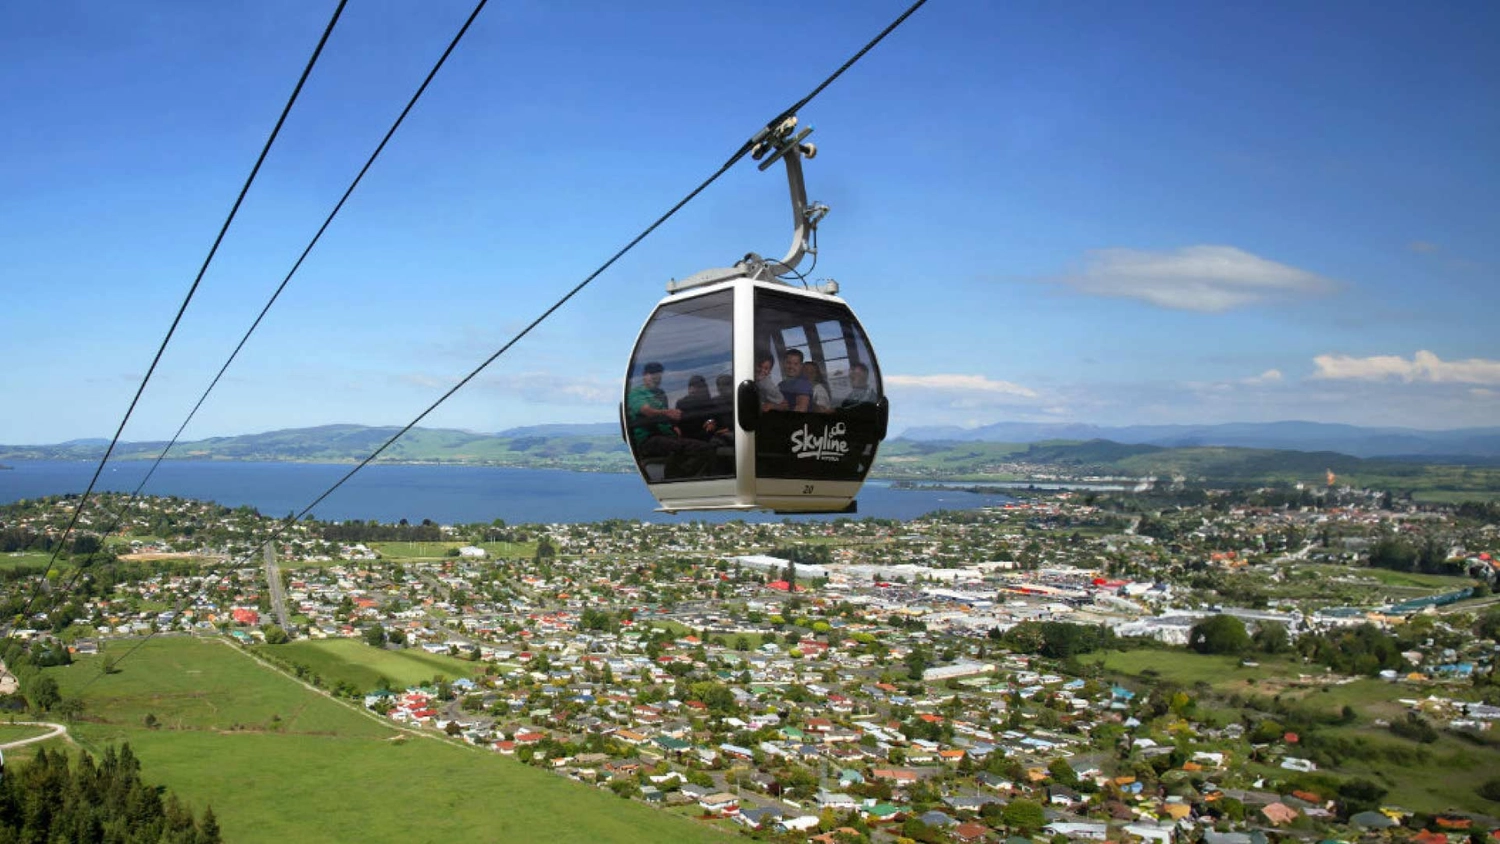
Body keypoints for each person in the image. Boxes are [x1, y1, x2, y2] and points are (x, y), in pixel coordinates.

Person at [626, 362, 712, 476]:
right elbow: (647, 411)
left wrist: (674, 426)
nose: (656, 380)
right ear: (644, 376)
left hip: (665, 435)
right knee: (702, 449)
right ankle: (677, 478)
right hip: (648, 439)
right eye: (653, 377)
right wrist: (668, 413)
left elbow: (665, 418)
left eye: (658, 377)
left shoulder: (661, 393)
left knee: (704, 444)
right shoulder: (636, 394)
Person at [674, 374, 725, 442]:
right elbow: (676, 422)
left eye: (696, 387)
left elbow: (714, 418)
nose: (692, 390)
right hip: (687, 439)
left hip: (707, 439)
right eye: (690, 387)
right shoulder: (682, 403)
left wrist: (711, 422)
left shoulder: (709, 402)